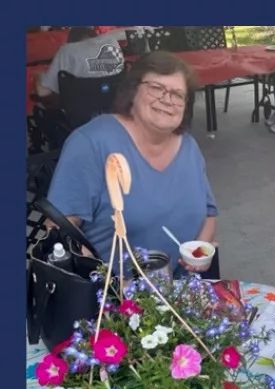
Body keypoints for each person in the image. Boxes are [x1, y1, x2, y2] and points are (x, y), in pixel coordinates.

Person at [46, 51, 217, 270]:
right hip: (113, 288)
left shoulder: (189, 146)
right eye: (156, 88)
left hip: (183, 285)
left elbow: (209, 213)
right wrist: (109, 281)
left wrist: (199, 253)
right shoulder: (91, 142)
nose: (167, 100)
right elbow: (60, 230)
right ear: (132, 91)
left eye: (177, 94)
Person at [35, 26, 126, 98]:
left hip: (80, 112)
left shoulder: (67, 51)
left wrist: (38, 76)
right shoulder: (111, 43)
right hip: (114, 109)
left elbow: (42, 92)